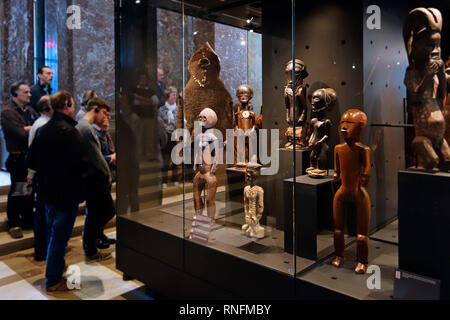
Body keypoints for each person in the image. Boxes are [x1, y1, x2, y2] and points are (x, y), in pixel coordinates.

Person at [28, 91, 88, 292]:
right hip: (65, 193)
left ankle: (57, 266)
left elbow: (32, 161)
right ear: (67, 104)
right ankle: (53, 279)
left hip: (47, 191)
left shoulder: (43, 130)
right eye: (72, 104)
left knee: (54, 232)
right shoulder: (69, 132)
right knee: (59, 237)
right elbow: (81, 163)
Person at [76, 98, 114, 260]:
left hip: (93, 176)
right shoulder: (85, 128)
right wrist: (107, 174)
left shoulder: (85, 127)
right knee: (105, 211)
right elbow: (96, 156)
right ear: (95, 109)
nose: (105, 117)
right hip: (94, 177)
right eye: (104, 113)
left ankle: (91, 243)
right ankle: (90, 246)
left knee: (97, 212)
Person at [1, 82, 39, 239]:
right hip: (17, 157)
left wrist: (29, 128)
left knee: (28, 190)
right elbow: (19, 134)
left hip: (29, 156)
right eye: (26, 92)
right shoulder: (8, 112)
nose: (29, 95)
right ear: (15, 94)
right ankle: (14, 222)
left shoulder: (30, 110)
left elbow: (39, 126)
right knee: (18, 189)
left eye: (30, 92)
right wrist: (31, 128)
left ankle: (27, 219)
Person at [27, 96, 53, 261]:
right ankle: (42, 251)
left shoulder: (42, 124)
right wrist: (31, 175)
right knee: (43, 216)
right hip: (44, 176)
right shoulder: (43, 125)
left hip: (42, 175)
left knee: (42, 215)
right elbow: (35, 154)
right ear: (46, 108)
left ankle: (43, 250)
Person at [159, 86, 179, 187]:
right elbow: (160, 124)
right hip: (166, 137)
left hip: (176, 136)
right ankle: (164, 181)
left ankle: (175, 179)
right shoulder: (161, 109)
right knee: (165, 159)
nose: (175, 96)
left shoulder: (179, 109)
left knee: (175, 159)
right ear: (168, 96)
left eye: (176, 94)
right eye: (173, 94)